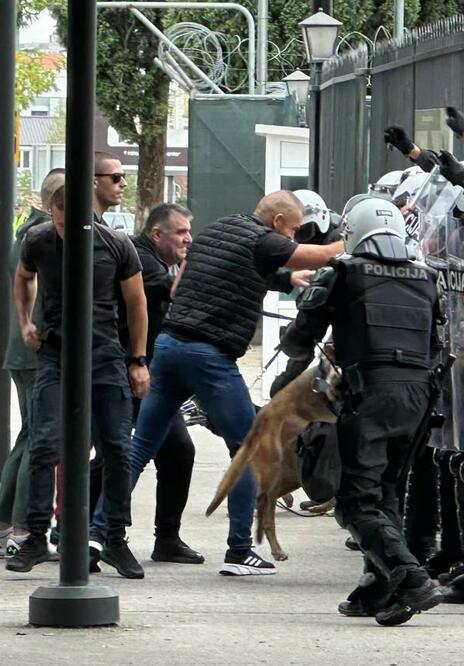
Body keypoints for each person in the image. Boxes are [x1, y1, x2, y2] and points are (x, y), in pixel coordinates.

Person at [125, 191, 341, 577]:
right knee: (249, 449)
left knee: (141, 446)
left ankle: (100, 532)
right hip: (208, 355)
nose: (292, 237)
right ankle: (240, 550)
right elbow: (322, 256)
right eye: (292, 229)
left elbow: (218, 276)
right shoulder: (266, 238)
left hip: (169, 346)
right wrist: (364, 232)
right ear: (278, 223)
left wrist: (287, 278)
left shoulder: (219, 228)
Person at [279, 197, 445, 626]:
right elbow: (437, 344)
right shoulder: (428, 277)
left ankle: (409, 576)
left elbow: (299, 341)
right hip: (419, 396)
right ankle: (378, 585)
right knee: (387, 490)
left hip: (370, 393)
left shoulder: (343, 272)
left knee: (354, 502)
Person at [5, 183, 150, 577]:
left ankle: (114, 538)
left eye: (76, 224)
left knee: (118, 448)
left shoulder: (115, 244)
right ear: (51, 214)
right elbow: (23, 277)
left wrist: (138, 359)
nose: (67, 230)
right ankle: (35, 536)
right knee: (44, 444)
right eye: (60, 222)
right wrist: (25, 323)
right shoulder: (38, 240)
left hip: (105, 354)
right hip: (55, 352)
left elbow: (137, 303)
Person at [88, 202, 200, 568]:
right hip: (129, 371)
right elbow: (176, 292)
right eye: (181, 232)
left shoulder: (149, 257)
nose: (188, 239)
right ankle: (83, 529)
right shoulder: (143, 261)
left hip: (145, 370)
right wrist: (195, 262)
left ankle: (164, 538)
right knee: (117, 456)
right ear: (157, 234)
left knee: (171, 452)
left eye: (188, 232)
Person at [0, 168, 66, 558]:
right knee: (39, 439)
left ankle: (3, 529)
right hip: (36, 353)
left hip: (25, 351)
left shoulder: (30, 233)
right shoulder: (40, 237)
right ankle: (19, 530)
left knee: (30, 436)